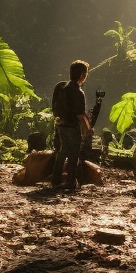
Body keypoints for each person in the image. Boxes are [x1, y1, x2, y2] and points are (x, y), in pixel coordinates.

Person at [51, 60, 92, 191]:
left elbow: (54, 108)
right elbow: (81, 114)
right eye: (85, 74)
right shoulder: (78, 92)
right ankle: (70, 182)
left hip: (61, 125)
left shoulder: (61, 88)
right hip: (72, 126)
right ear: (81, 75)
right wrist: (87, 129)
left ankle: (55, 180)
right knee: (74, 154)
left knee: (63, 151)